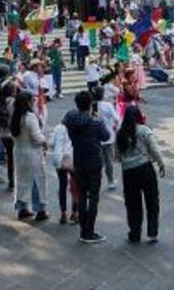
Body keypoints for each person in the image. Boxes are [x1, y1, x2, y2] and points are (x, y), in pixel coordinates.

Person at [63, 91, 111, 243]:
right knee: (94, 198)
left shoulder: (70, 119)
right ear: (90, 104)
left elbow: (66, 123)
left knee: (82, 195)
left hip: (79, 161)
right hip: (94, 162)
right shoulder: (95, 122)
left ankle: (83, 230)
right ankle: (89, 231)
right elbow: (106, 136)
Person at [116, 105, 165, 244]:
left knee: (132, 203)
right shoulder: (144, 130)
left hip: (128, 171)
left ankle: (135, 233)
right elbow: (154, 148)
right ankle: (152, 232)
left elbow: (117, 156)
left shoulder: (120, 133)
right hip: (145, 168)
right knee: (152, 200)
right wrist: (161, 163)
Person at [10, 91, 49, 221]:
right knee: (36, 181)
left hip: (19, 151)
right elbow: (37, 136)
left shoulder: (15, 116)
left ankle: (22, 208)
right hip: (32, 152)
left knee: (21, 181)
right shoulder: (30, 117)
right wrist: (45, 142)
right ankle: (40, 210)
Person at [49, 121, 79, 225]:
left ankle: (63, 213)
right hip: (72, 159)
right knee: (75, 187)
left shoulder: (57, 127)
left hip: (59, 160)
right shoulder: (75, 127)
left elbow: (51, 143)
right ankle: (75, 213)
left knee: (62, 185)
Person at [92, 85, 120, 191]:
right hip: (108, 136)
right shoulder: (107, 106)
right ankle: (110, 181)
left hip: (95, 138)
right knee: (109, 160)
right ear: (103, 95)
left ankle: (96, 182)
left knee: (98, 162)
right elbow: (116, 119)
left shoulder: (92, 106)